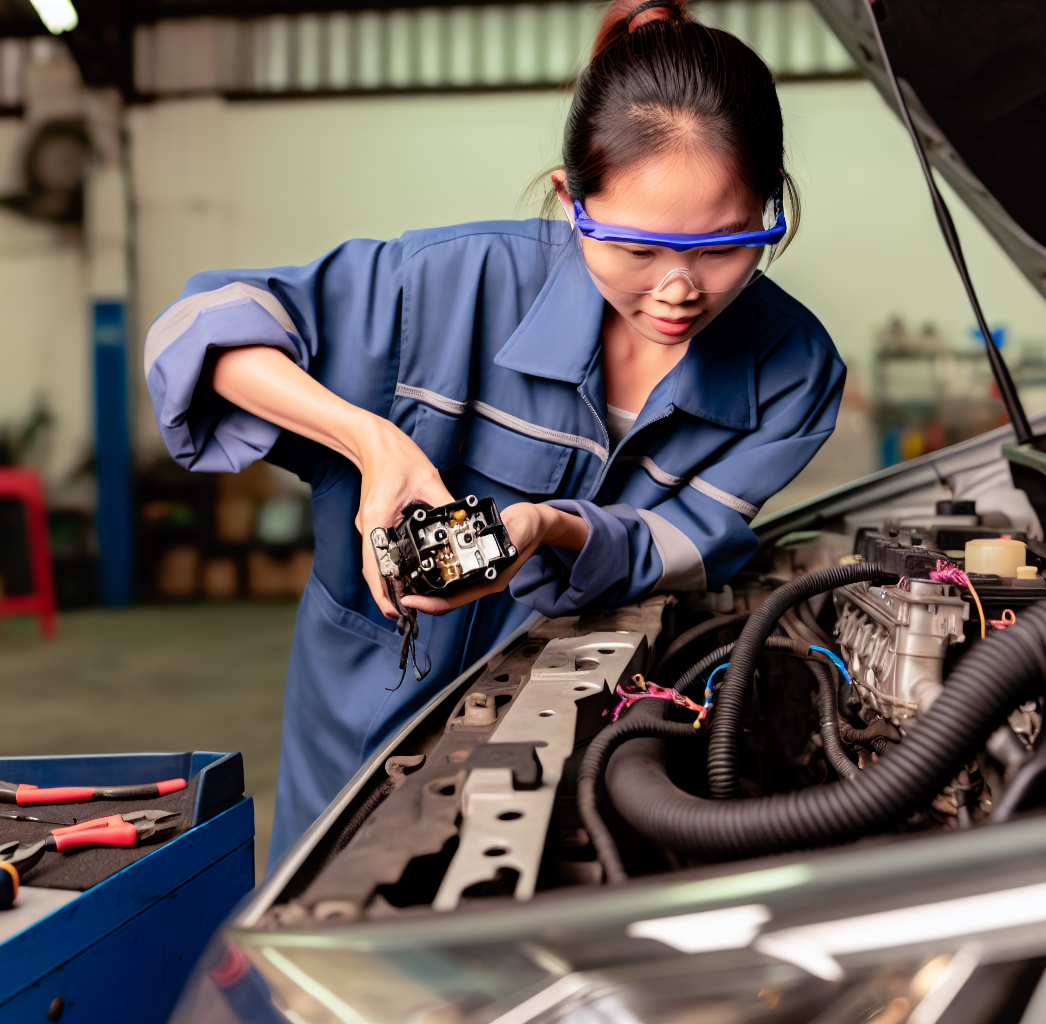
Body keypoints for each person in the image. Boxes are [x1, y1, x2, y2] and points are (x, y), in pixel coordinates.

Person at [144, 0, 845, 869]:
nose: (678, 289)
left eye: (724, 248)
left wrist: (553, 529)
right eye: (635, 249)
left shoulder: (794, 370)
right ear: (571, 199)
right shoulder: (450, 284)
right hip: (367, 707)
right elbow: (200, 329)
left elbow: (691, 542)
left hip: (589, 730)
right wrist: (374, 444)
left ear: (772, 209)